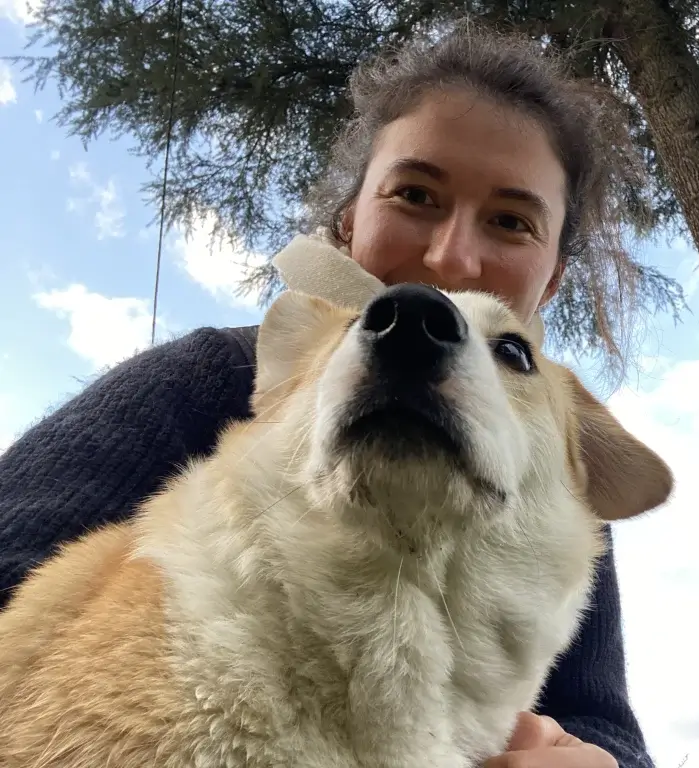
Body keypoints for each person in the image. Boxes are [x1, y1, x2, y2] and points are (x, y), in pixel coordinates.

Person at [0, 22, 657, 768]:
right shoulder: (209, 374)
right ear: (350, 222)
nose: (450, 255)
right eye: (415, 194)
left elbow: (603, 726)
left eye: (511, 221)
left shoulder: (549, 473)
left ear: (553, 274)